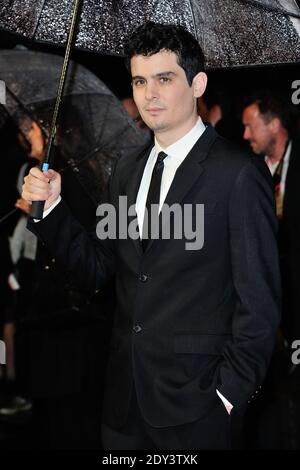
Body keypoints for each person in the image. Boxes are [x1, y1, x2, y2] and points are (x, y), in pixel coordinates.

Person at [22, 22, 280, 450]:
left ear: (197, 83)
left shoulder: (236, 173)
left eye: (164, 78)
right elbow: (98, 268)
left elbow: (260, 304)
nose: (149, 94)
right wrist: (51, 211)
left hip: (199, 407)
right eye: (140, 80)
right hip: (123, 405)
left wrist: (229, 396)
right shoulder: (126, 172)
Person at [242, 91, 300, 349]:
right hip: (266, 296)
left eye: (249, 126)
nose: (245, 135)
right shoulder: (248, 170)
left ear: (274, 124)